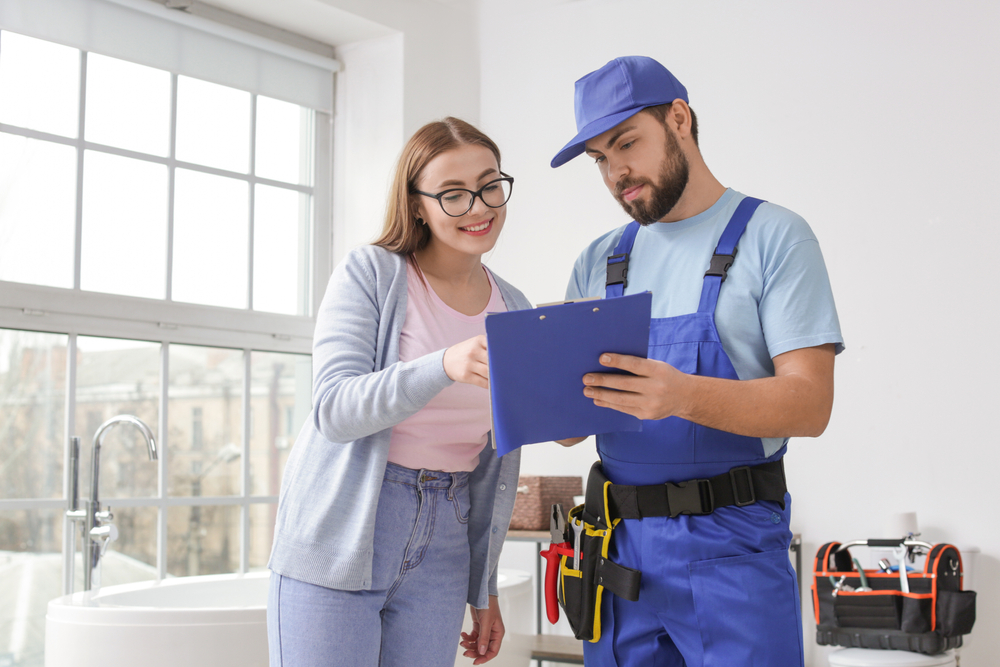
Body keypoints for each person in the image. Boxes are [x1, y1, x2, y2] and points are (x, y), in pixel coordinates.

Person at [551, 56, 844, 666]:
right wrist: (534, 386)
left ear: (679, 118)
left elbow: (810, 404)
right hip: (618, 551)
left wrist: (683, 395)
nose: (615, 172)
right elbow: (573, 426)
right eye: (600, 159)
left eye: (627, 143)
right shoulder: (599, 262)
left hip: (731, 550)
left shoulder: (775, 237)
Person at [267, 117, 531, 667]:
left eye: (488, 186)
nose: (479, 207)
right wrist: (443, 365)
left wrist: (484, 586)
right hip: (345, 527)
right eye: (453, 195)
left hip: (447, 535)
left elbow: (497, 461)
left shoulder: (515, 307)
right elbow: (334, 409)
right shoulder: (372, 274)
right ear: (416, 204)